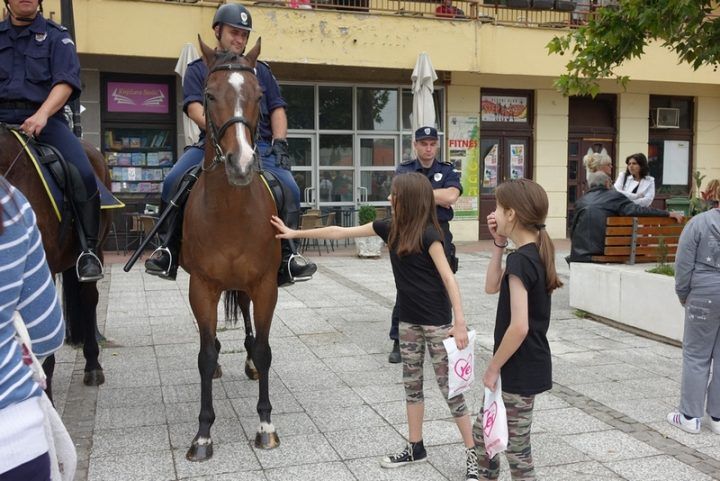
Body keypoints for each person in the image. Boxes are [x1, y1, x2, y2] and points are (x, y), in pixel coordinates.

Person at [271, 173, 479, 481]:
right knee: (412, 386)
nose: (389, 199)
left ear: (406, 199)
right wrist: (293, 232)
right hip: (407, 321)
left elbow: (449, 278)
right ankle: (415, 446)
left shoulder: (430, 235)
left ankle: (474, 454)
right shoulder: (388, 228)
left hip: (437, 324)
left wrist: (459, 323)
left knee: (451, 392)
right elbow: (340, 231)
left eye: (393, 195)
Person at [145, 3, 316, 285]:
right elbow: (193, 108)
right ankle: (167, 249)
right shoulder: (199, 68)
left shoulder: (260, 70)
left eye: (244, 35)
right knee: (173, 180)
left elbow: (277, 109)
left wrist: (280, 142)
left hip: (258, 146)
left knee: (291, 189)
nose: (239, 40)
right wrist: (221, 133)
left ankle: (289, 256)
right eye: (234, 33)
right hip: (211, 144)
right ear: (217, 31)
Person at [0, 0, 103, 282]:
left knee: (83, 172)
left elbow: (65, 82)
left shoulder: (57, 36)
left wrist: (42, 115)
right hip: (1, 121)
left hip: (44, 122)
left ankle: (87, 250)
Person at [471, 178, 562, 480]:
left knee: (517, 452)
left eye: (498, 207)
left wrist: (493, 367)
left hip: (518, 368)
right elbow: (490, 286)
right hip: (522, 366)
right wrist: (498, 242)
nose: (494, 213)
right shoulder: (531, 251)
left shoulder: (522, 260)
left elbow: (519, 326)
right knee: (484, 434)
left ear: (511, 214)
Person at [0, 177, 65, 481]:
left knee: (79, 169)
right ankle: (169, 247)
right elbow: (47, 335)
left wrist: (43, 123)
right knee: (174, 182)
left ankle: (88, 247)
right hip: (18, 440)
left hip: (43, 129)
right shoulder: (10, 202)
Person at [388, 126, 462, 363]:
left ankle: (444, 335)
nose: (428, 148)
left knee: (443, 283)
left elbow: (452, 196)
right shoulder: (405, 169)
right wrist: (436, 196)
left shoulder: (446, 169)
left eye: (432, 143)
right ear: (415, 145)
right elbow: (395, 198)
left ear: (437, 145)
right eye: (423, 144)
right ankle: (399, 340)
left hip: (440, 233)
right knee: (406, 288)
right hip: (412, 232)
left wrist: (416, 193)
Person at [666, 190, 720, 435]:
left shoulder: (699, 223)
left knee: (696, 354)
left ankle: (690, 416)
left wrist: (683, 293)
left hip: (704, 293)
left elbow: (684, 263)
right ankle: (718, 418)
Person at [568, 172, 683, 263]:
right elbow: (638, 210)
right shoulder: (614, 197)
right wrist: (667, 214)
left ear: (589, 185)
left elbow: (572, 230)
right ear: (608, 183)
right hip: (605, 250)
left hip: (580, 253)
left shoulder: (581, 201)